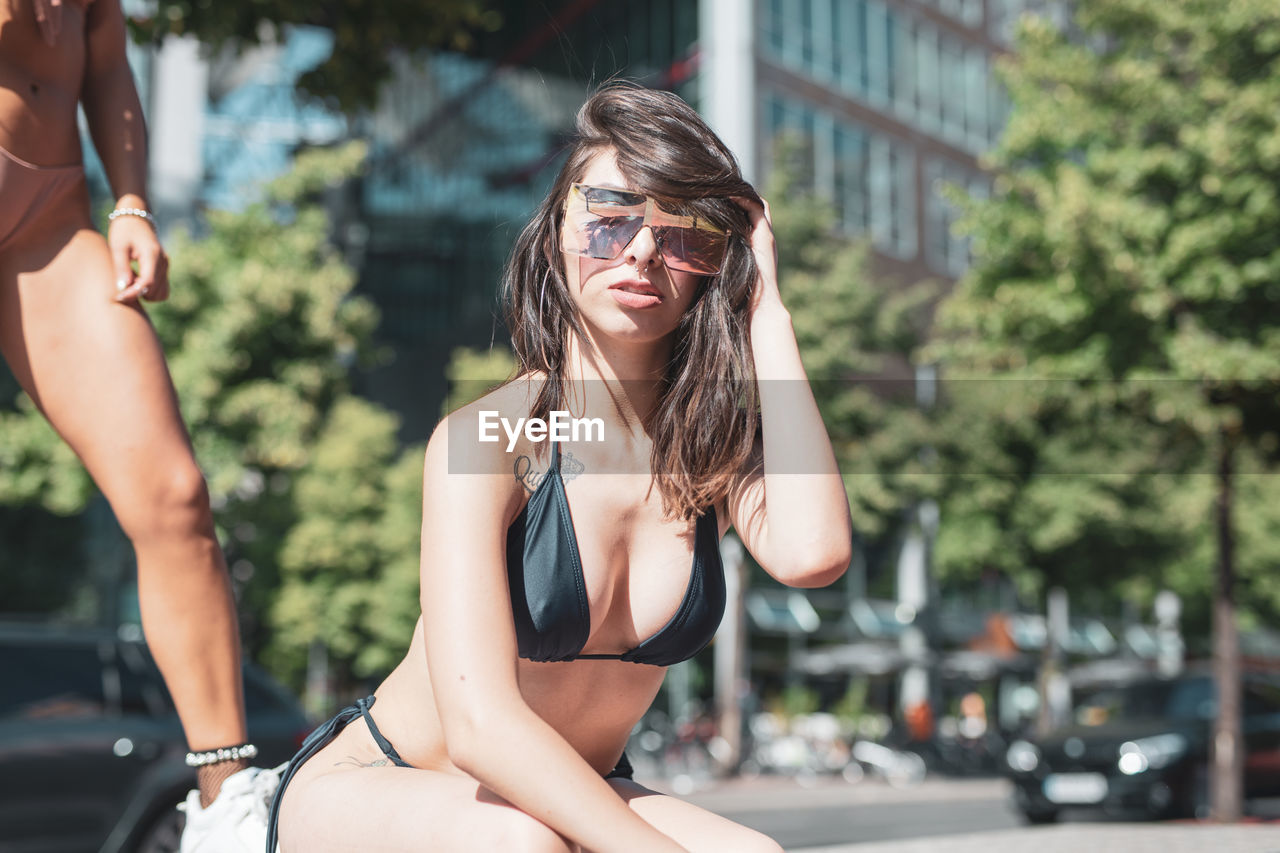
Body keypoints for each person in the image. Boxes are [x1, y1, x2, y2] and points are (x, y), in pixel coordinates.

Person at [267, 82, 853, 852]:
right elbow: (481, 728)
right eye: (609, 214)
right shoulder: (489, 441)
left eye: (685, 233)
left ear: (717, 266)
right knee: (522, 846)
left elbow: (813, 554)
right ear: (556, 235)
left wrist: (767, 312)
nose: (641, 249)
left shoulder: (709, 445)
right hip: (387, 785)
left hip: (563, 796)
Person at [0, 2, 267, 848]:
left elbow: (107, 60)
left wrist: (131, 202)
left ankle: (227, 800)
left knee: (176, 497)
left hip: (43, 222)